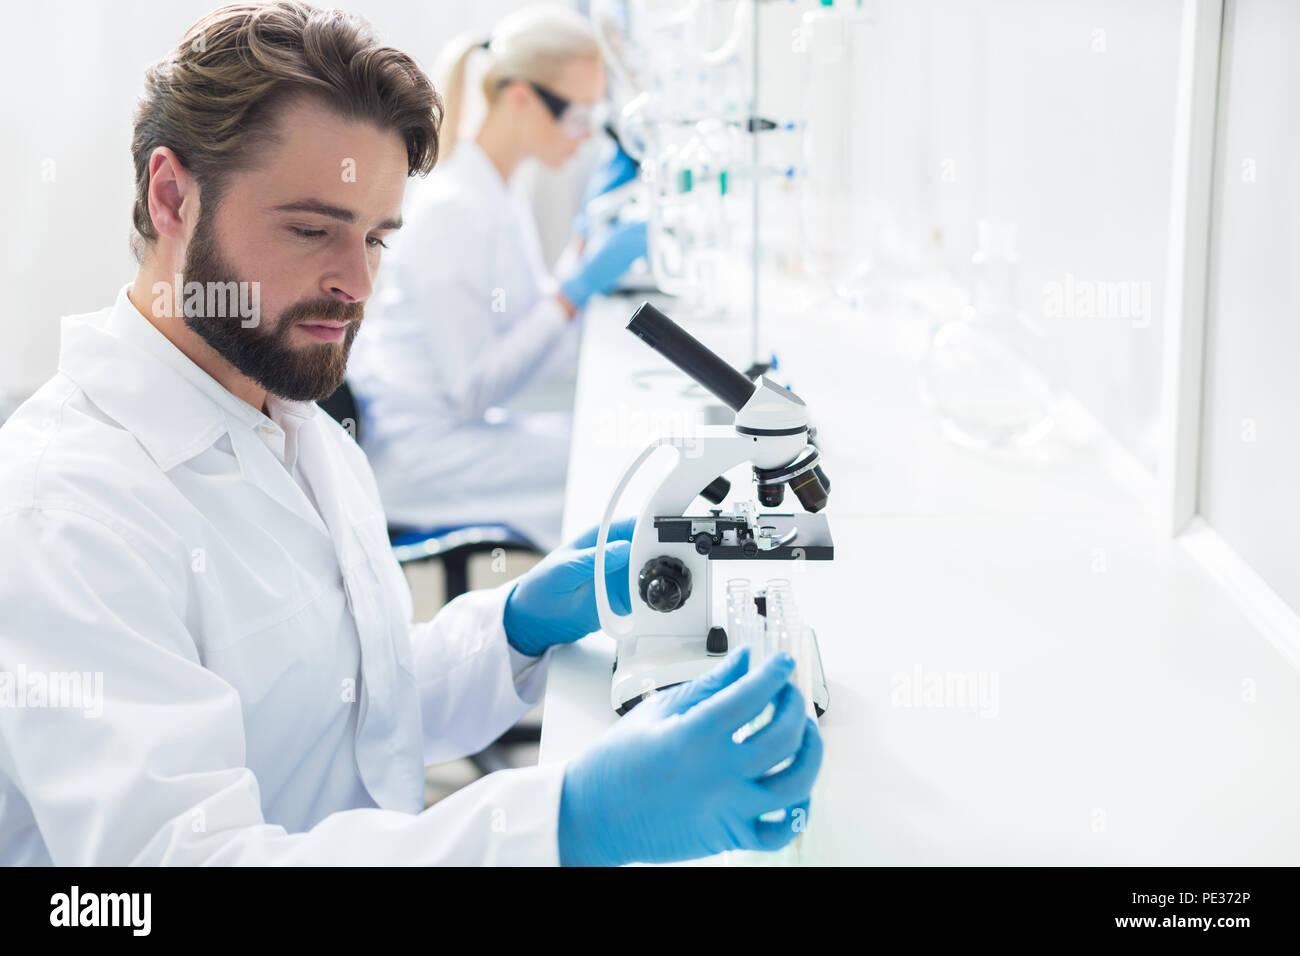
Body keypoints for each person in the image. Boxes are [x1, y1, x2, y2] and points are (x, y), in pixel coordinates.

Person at [0, 1, 821, 866]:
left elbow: (347, 706)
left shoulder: (294, 424)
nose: (356, 282)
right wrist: (565, 823)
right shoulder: (70, 508)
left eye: (378, 238)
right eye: (312, 229)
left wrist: (513, 628)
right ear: (173, 195)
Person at [346, 5, 646, 550]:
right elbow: (475, 387)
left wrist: (582, 247)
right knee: (613, 469)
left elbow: (526, 335)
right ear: (520, 96)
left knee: (609, 451)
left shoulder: (501, 190)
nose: (583, 137)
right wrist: (576, 289)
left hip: (459, 431)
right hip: (420, 453)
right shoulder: (455, 210)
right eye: (576, 115)